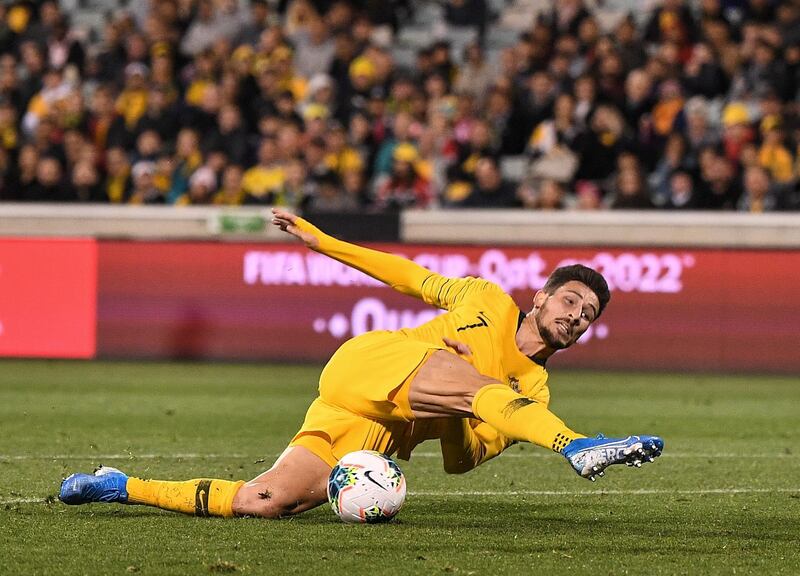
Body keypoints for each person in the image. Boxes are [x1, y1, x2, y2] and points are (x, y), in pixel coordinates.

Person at [59, 208, 663, 518]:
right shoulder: (486, 299)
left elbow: (458, 461)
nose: (577, 314)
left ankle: (119, 486)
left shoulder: (531, 389)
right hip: (375, 364)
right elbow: (407, 275)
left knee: (266, 503)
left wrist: (461, 396)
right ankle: (577, 446)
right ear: (541, 297)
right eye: (570, 299)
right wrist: (325, 244)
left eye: (588, 313)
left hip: (378, 427)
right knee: (471, 382)